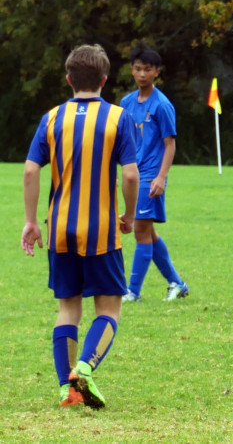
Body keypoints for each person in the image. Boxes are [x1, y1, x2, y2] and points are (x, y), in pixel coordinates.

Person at [21, 44, 139, 407]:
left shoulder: (52, 117)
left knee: (67, 309)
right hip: (101, 228)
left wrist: (30, 221)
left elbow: (29, 169)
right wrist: (129, 216)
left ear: (69, 79)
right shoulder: (119, 118)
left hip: (58, 228)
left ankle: (66, 388)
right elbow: (131, 175)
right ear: (105, 80)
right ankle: (85, 369)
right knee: (109, 308)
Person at [120, 47, 189, 302]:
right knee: (148, 232)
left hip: (151, 174)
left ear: (156, 73)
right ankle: (177, 283)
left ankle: (133, 292)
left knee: (140, 229)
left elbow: (170, 144)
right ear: (131, 70)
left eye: (147, 69)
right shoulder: (126, 103)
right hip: (132, 173)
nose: (142, 73)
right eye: (138, 68)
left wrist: (161, 177)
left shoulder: (162, 104)